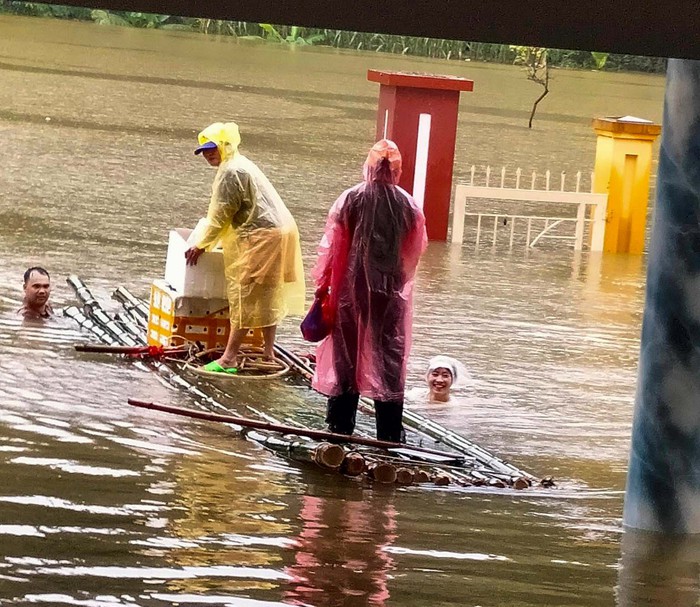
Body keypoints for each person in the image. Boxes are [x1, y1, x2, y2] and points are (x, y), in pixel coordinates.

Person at [310, 139, 427, 442]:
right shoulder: (408, 205)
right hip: (390, 292)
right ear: (398, 171)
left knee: (346, 357)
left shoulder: (350, 199)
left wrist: (322, 286)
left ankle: (339, 428)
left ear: (369, 166)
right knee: (388, 357)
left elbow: (331, 247)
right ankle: (388, 435)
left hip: (350, 291)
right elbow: (414, 252)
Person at [185, 122, 305, 372]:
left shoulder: (231, 172)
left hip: (263, 237)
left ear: (224, 146)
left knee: (244, 296)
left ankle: (228, 358)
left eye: (212, 149)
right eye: (204, 151)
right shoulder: (241, 164)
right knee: (268, 295)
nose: (208, 155)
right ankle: (268, 353)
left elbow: (220, 215)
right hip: (280, 232)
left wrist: (201, 245)